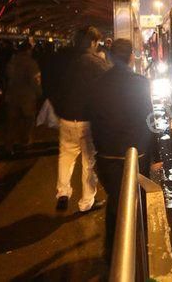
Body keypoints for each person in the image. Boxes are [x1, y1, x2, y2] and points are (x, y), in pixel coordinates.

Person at [86, 39, 160, 258]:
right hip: (137, 153)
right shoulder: (140, 82)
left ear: (109, 56)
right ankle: (139, 251)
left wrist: (100, 149)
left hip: (108, 156)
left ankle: (112, 253)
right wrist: (154, 153)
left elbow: (93, 120)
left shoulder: (98, 83)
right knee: (137, 200)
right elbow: (149, 118)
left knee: (115, 202)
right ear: (131, 57)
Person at [55, 27, 111, 212]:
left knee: (66, 156)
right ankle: (87, 202)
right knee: (89, 162)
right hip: (87, 120)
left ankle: (63, 193)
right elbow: (110, 85)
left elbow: (50, 84)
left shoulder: (63, 59)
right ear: (93, 42)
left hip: (66, 118)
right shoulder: (96, 62)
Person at [5, 42, 41, 154]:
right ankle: (24, 141)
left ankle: (9, 145)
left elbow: (7, 77)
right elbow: (35, 80)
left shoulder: (11, 62)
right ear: (28, 50)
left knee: (13, 121)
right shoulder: (31, 63)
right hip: (27, 96)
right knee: (28, 119)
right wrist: (39, 92)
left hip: (12, 96)